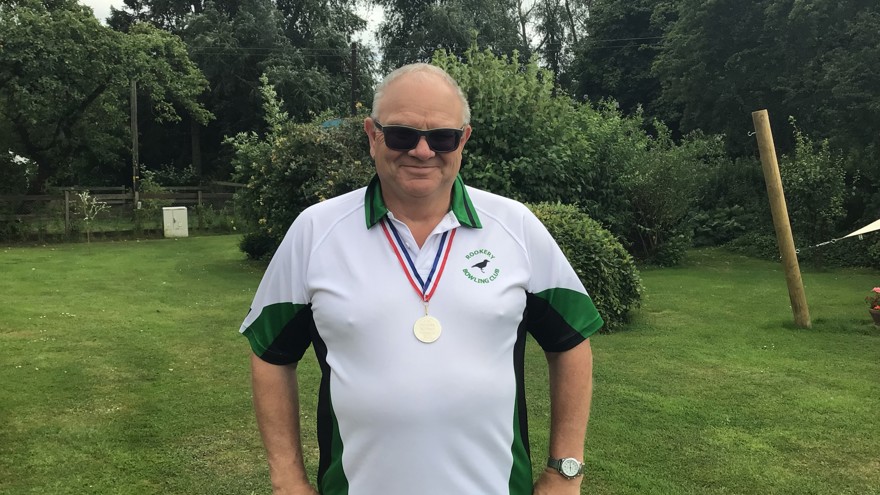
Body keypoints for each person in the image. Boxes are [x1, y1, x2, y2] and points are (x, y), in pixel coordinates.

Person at [240, 63, 603, 495]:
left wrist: (565, 472)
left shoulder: (514, 227)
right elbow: (270, 353)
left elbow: (572, 341)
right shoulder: (316, 231)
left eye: (442, 137)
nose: (423, 151)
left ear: (463, 140)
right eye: (402, 134)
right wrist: (287, 480)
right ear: (372, 134)